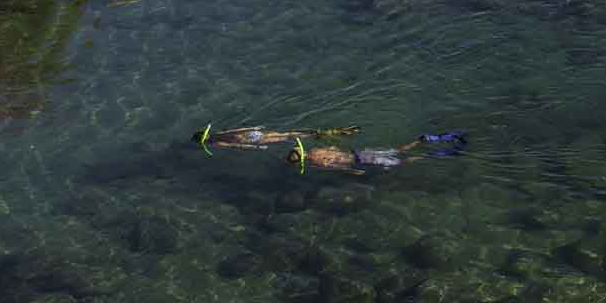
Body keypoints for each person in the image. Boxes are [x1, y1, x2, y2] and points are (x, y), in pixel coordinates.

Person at [286, 131, 467, 175]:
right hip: (359, 152)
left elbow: (336, 165)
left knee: (401, 162)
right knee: (397, 150)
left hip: (361, 160)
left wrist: (353, 171)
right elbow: (335, 150)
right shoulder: (317, 149)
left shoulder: (317, 162)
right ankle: (421, 140)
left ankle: (433, 155)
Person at [194, 124, 361, 153]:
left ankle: (326, 133)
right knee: (288, 134)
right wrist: (254, 128)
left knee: (287, 138)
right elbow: (238, 130)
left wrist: (256, 148)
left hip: (254, 140)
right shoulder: (219, 133)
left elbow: (236, 147)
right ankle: (332, 132)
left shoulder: (216, 142)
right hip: (253, 134)